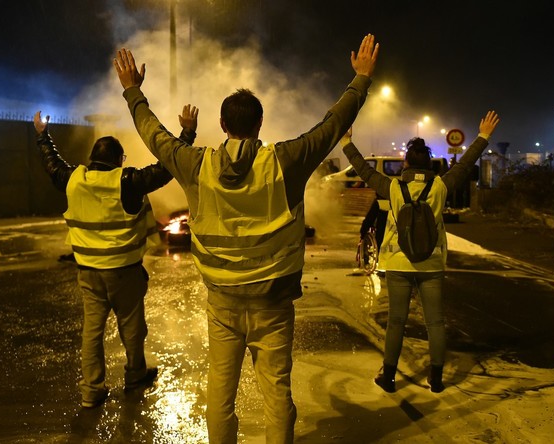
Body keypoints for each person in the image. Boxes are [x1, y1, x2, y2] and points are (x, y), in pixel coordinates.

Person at [112, 34, 379, 444]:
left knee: (220, 394)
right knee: (276, 395)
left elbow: (155, 135)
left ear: (222, 125)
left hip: (223, 303)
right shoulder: (285, 161)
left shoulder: (195, 163)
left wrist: (133, 91)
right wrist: (359, 79)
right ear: (259, 124)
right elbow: (332, 126)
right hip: (273, 303)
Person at [31, 107, 198, 408]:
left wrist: (43, 135)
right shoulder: (128, 181)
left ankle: (91, 391)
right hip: (124, 273)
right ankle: (135, 376)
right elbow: (167, 168)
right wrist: (186, 134)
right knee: (132, 329)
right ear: (119, 160)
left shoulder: (73, 179)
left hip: (89, 273)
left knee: (91, 334)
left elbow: (51, 164)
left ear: (94, 158)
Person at [340, 110, 500, 394]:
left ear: (405, 163)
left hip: (399, 263)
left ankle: (388, 377)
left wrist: (347, 143)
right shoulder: (440, 186)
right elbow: (465, 165)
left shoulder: (393, 187)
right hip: (431, 263)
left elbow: (363, 170)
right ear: (429, 164)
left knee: (396, 322)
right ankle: (436, 379)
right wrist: (483, 136)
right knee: (435, 322)